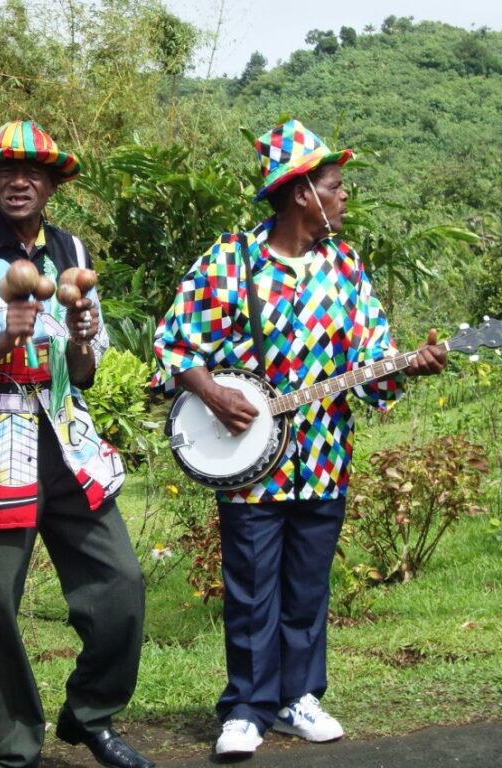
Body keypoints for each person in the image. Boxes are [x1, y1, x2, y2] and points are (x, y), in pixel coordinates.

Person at [152, 120, 447, 757]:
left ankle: (297, 697)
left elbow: (372, 366)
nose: (343, 198)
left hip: (323, 458)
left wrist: (406, 365)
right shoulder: (231, 260)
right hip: (249, 461)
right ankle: (246, 708)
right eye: (335, 187)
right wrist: (212, 392)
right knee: (253, 587)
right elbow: (175, 344)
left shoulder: (345, 267)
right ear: (300, 194)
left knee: (307, 586)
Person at [0, 120, 152, 768]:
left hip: (65, 441)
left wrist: (80, 335)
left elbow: (83, 373)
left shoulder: (71, 248)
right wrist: (4, 338)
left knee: (120, 585)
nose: (19, 181)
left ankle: (92, 715)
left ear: (51, 184)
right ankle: (12, 749)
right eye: (7, 170)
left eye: (34, 172)